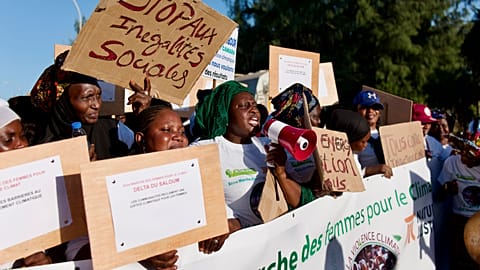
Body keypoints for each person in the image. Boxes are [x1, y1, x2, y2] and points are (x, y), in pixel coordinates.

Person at [192, 81, 315, 252]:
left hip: (278, 247)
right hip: (241, 252)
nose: (253, 109)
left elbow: (299, 201)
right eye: (244, 106)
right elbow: (192, 201)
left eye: (254, 105)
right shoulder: (204, 150)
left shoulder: (266, 146)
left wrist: (281, 173)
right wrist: (230, 222)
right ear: (225, 114)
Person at [31, 50, 134, 161]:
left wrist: (143, 115)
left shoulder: (116, 131)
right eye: (87, 97)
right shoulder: (40, 146)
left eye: (98, 95)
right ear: (63, 102)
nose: (96, 105)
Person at [133, 104, 189, 270]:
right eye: (166, 130)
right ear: (140, 138)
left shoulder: (197, 175)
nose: (178, 137)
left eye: (182, 131)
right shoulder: (120, 182)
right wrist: (139, 254)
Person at [0, 99, 53, 268]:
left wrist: (47, 260)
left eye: (23, 136)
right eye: (8, 140)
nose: (21, 145)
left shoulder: (34, 187)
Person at [437, 138, 480, 269]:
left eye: (470, 155)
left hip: (478, 221)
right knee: (458, 262)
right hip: (458, 220)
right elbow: (439, 195)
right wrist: (446, 188)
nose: (464, 157)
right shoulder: (452, 162)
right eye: (464, 151)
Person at [326, 109, 393, 179]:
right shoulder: (333, 161)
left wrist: (370, 170)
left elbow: (358, 174)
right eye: (363, 142)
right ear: (349, 140)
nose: (366, 145)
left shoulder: (353, 154)